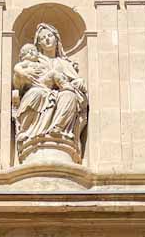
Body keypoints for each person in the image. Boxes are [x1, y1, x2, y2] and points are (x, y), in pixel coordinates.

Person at [11, 23, 88, 160]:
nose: (47, 39)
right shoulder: (33, 60)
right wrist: (22, 75)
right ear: (39, 43)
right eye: (43, 38)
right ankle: (28, 132)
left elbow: (76, 83)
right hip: (38, 92)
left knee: (69, 95)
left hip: (60, 94)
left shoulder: (65, 64)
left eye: (50, 36)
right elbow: (18, 84)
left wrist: (78, 83)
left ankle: (58, 130)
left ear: (56, 39)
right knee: (37, 93)